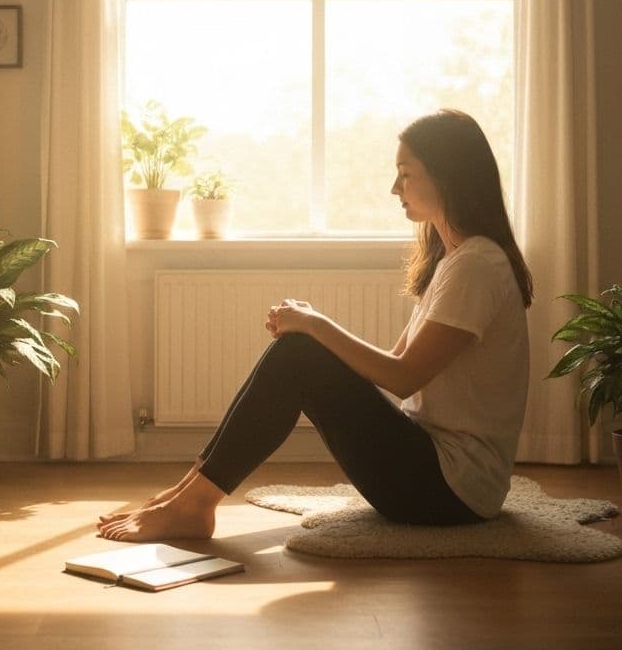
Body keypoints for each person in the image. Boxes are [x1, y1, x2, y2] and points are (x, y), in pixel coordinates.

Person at [97, 109, 533, 541]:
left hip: (451, 491)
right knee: (300, 350)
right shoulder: (455, 260)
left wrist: (315, 326)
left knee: (300, 355)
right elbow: (398, 360)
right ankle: (189, 491)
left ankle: (194, 503)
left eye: (405, 174)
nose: (394, 188)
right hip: (433, 472)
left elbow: (403, 378)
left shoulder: (477, 265)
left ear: (448, 176)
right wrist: (312, 326)